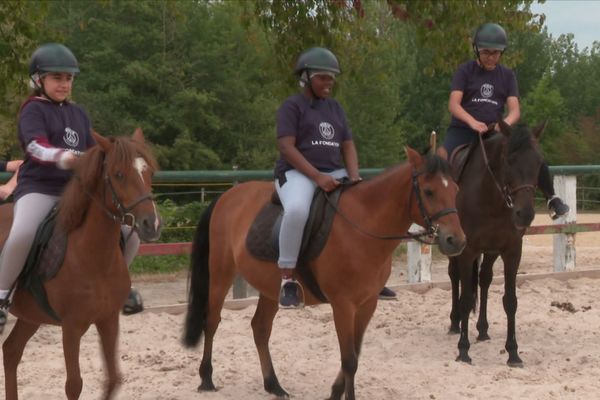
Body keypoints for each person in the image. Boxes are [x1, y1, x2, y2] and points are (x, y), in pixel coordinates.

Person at [0, 43, 142, 334]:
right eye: (57, 78)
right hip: (39, 187)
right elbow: (35, 147)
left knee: (130, 233)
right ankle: (2, 295)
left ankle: (119, 285)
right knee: (23, 233)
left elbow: (93, 152)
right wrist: (64, 158)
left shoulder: (79, 114)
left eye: (68, 78)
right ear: (39, 80)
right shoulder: (33, 110)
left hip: (75, 191)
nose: (64, 84)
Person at [274, 47, 395, 308]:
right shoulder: (292, 107)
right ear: (306, 77)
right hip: (297, 174)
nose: (329, 83)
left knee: (367, 206)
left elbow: (348, 145)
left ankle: (373, 275)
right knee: (296, 211)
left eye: (331, 78)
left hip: (335, 172)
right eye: (322, 77)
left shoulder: (336, 108)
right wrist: (317, 177)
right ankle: (288, 279)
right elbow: (287, 147)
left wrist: (354, 177)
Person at [439, 22, 569, 220]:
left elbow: (515, 110)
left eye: (496, 53)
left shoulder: (507, 75)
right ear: (477, 50)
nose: (491, 57)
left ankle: (552, 198)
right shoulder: (465, 71)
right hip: (463, 130)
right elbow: (454, 105)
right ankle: (437, 217)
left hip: (495, 132)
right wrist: (472, 122)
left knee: (531, 153)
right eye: (486, 52)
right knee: (440, 163)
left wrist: (503, 124)